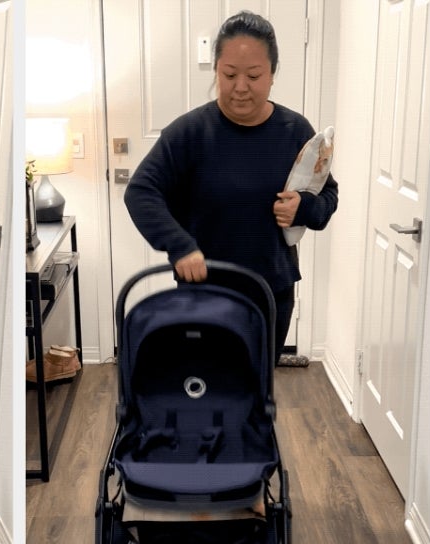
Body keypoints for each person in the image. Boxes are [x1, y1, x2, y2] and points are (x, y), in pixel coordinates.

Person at [124, 10, 338, 359]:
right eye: (229, 74)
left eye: (254, 75)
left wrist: (305, 206)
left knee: (257, 397)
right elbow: (141, 192)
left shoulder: (295, 131)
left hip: (271, 292)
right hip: (203, 292)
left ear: (271, 75)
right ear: (216, 71)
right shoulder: (188, 133)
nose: (241, 87)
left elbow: (328, 194)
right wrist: (180, 246)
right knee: (206, 391)